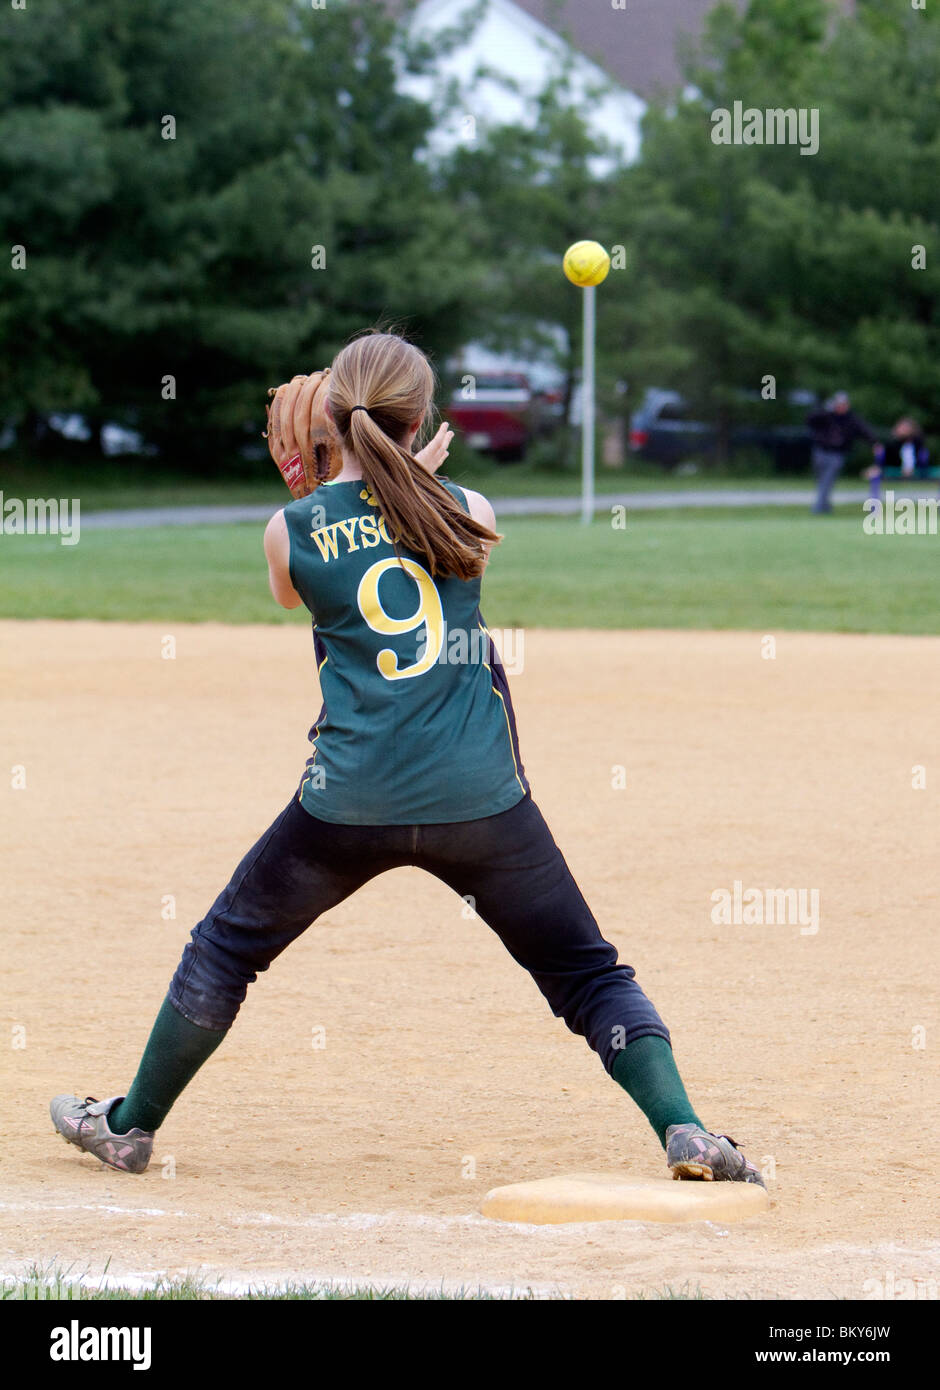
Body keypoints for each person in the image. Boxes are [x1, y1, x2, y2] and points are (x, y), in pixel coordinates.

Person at [50, 330, 763, 1188]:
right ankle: (683, 1128)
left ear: (329, 425)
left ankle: (128, 1127)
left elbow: (302, 581)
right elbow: (418, 524)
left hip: (345, 806)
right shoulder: (471, 510)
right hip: (483, 805)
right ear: (423, 419)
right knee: (585, 971)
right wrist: (409, 475)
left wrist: (319, 490)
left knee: (225, 952)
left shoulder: (290, 529)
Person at [807, 391, 878, 513]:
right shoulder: (826, 416)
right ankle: (825, 505)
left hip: (837, 454)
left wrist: (874, 443)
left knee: (827, 480)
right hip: (820, 452)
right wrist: (826, 410)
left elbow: (864, 430)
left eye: (844, 404)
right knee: (821, 480)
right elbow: (810, 420)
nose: (841, 406)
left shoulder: (851, 419)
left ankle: (818, 507)